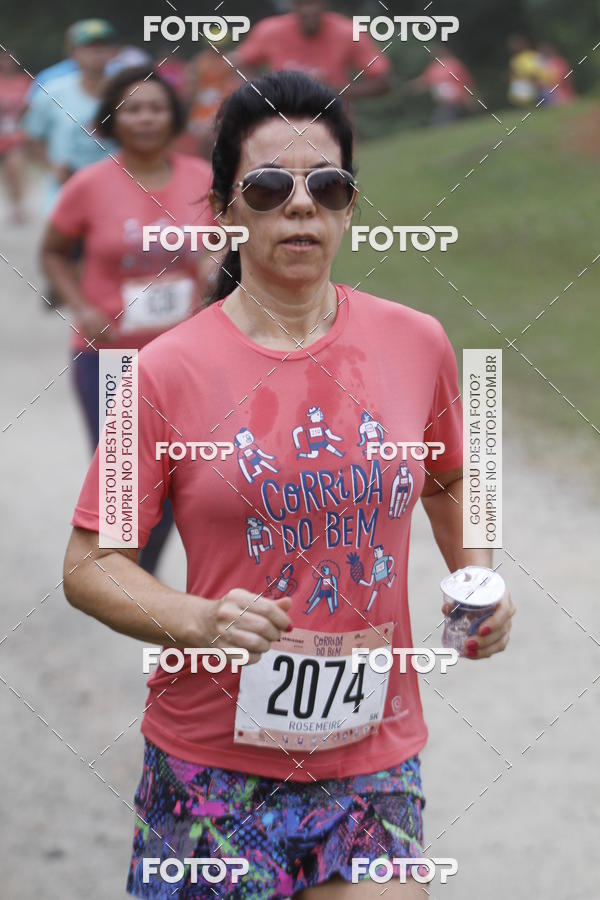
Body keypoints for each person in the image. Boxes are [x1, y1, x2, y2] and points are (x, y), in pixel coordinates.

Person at [63, 71, 515, 897]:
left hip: (372, 758)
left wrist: (475, 576)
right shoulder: (160, 373)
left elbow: (451, 477)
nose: (300, 205)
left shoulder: (418, 343)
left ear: (347, 206)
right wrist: (195, 618)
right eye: (269, 187)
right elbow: (89, 565)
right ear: (228, 211)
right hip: (212, 770)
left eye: (328, 185)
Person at [45, 67, 215, 574]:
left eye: (156, 108)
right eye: (133, 109)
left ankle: (142, 573)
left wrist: (213, 262)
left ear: (174, 116)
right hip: (110, 357)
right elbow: (55, 251)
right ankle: (126, 576)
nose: (145, 118)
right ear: (112, 120)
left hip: (186, 357)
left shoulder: (203, 180)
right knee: (125, 480)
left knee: (188, 473)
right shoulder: (87, 185)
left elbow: (227, 241)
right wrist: (81, 303)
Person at [24, 18, 118, 213]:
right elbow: (31, 136)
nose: (97, 52)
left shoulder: (128, 93)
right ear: (72, 52)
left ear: (113, 51)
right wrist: (51, 166)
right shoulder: (51, 92)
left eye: (103, 45)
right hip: (64, 197)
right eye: (89, 46)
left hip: (115, 196)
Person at [233, 0, 392, 102]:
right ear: (292, 4)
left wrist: (334, 92)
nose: (308, 10)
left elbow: (383, 82)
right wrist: (266, 91)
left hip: (333, 127)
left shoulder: (348, 32)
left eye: (313, 2)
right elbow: (238, 63)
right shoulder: (269, 31)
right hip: (279, 127)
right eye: (302, 3)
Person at [406, 43, 477, 125]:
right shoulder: (433, 68)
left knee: (448, 121)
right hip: (443, 104)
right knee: (440, 121)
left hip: (457, 102)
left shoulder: (453, 64)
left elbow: (466, 81)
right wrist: (411, 87)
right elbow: (424, 82)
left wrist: (470, 98)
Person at [0, 52, 30, 222]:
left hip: (16, 135)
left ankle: (19, 206)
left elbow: (30, 107)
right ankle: (12, 202)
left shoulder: (23, 82)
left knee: (15, 168)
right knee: (6, 174)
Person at [507, 35, 544, 108]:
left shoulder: (534, 55)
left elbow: (540, 71)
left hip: (539, 83)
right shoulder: (515, 59)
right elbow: (515, 74)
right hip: (525, 85)